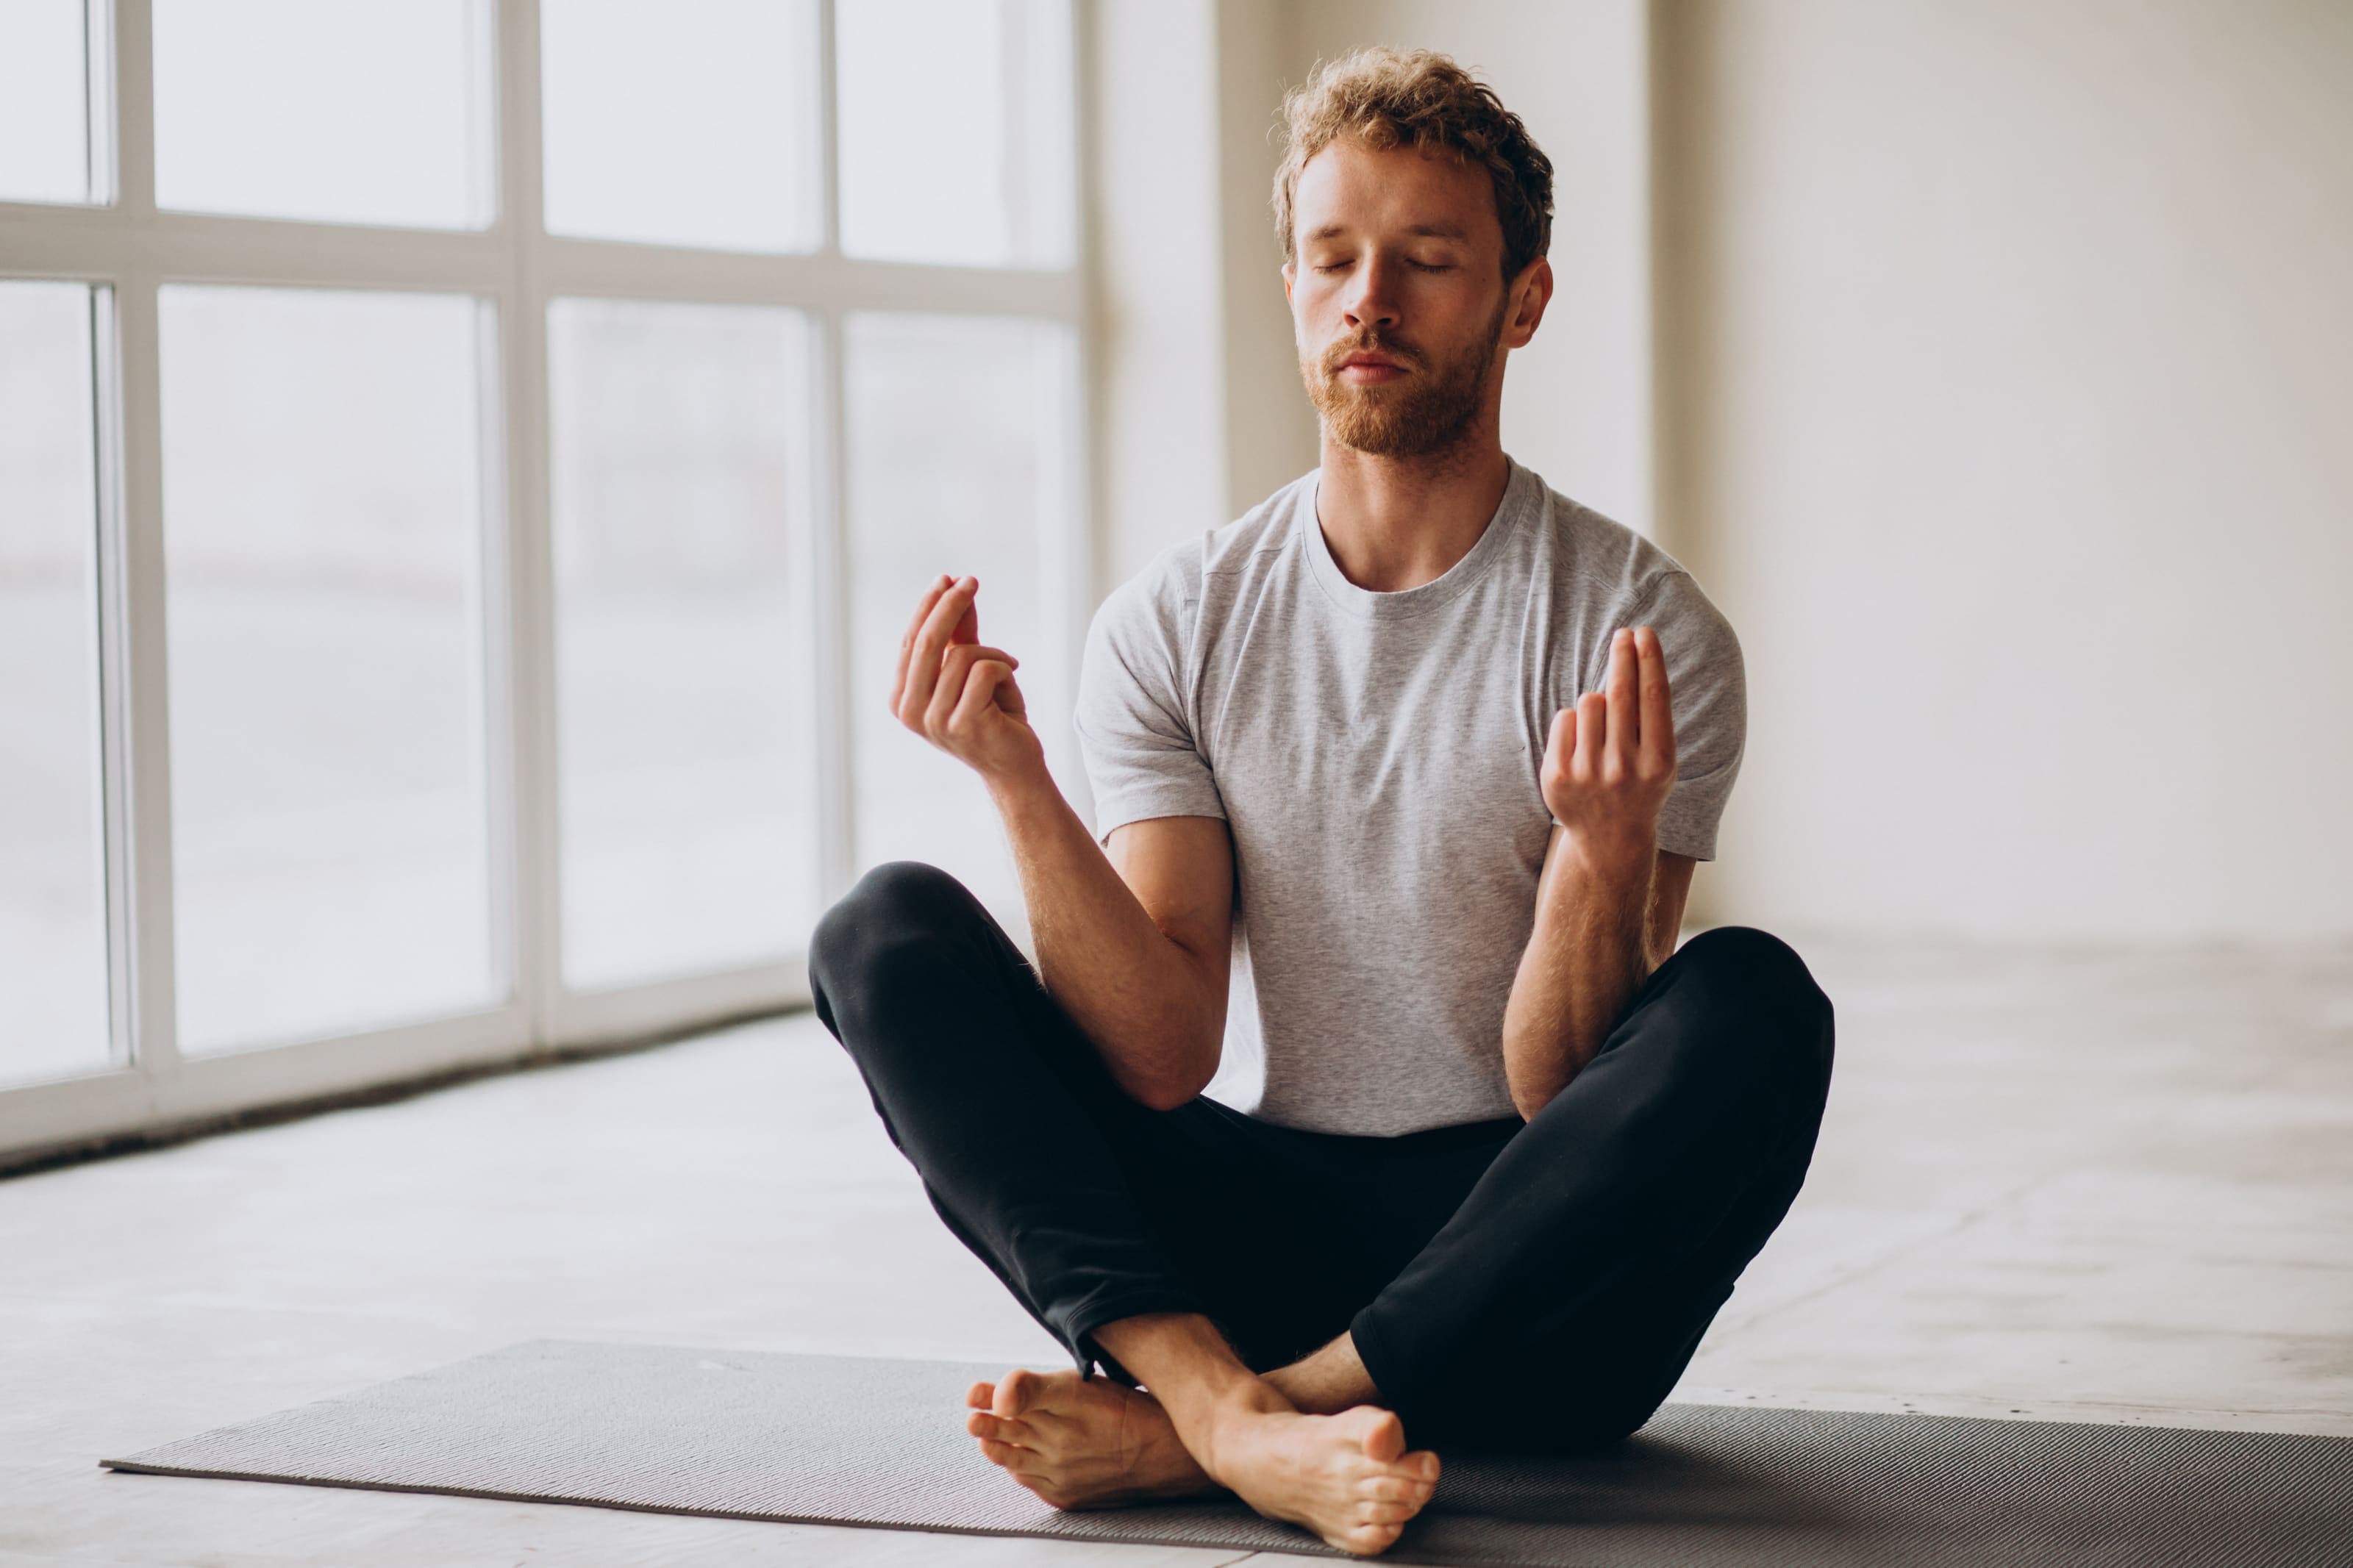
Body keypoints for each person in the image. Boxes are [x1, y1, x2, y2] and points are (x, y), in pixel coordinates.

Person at [806, 46, 1835, 1558]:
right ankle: (1222, 1406)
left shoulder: (1638, 630)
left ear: (1521, 300)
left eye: (1426, 260)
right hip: (1255, 1238)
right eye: (1334, 259)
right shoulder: (1174, 620)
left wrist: (1602, 858)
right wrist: (1020, 785)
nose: (1373, 301)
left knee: (1755, 1000)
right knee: (880, 928)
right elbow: (1163, 1055)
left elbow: (1564, 1086)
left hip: (1536, 1298)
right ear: (1288, 283)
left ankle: (1221, 1424)